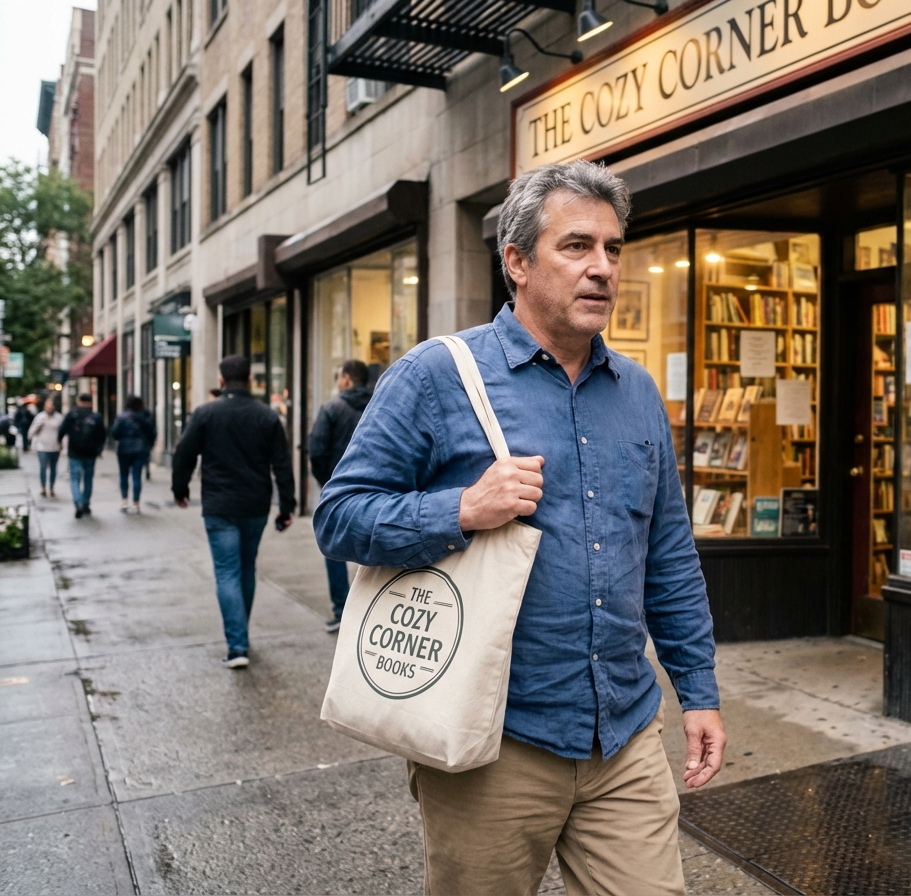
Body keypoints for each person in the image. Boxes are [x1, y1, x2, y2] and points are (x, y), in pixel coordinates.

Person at [315, 160, 724, 895]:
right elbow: (340, 517)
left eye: (613, 248)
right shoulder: (437, 375)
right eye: (576, 247)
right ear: (517, 262)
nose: (602, 268)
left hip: (623, 736)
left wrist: (699, 691)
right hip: (492, 743)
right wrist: (460, 510)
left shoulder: (636, 394)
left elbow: (668, 555)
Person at [172, 355, 296, 669]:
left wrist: (180, 489)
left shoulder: (206, 413)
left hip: (220, 505)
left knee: (227, 572)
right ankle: (241, 637)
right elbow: (282, 464)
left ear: (222, 378)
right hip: (255, 505)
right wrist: (287, 506)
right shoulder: (267, 416)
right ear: (250, 379)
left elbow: (184, 454)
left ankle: (237, 645)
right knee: (246, 568)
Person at [307, 359, 371, 633]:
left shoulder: (332, 408)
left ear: (346, 379)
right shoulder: (380, 402)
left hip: (340, 487)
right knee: (377, 546)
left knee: (334, 548)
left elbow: (317, 451)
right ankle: (371, 608)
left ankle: (341, 609)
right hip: (377, 487)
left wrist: (329, 482)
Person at [58, 393, 106, 518]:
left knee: (74, 478)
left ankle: (78, 502)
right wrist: (99, 449)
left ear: (79, 401)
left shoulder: (71, 415)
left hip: (74, 452)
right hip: (91, 453)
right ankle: (85, 504)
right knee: (88, 479)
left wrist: (60, 443)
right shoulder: (96, 417)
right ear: (90, 402)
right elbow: (102, 435)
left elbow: (62, 430)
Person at [110, 395, 157, 513]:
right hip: (140, 450)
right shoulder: (145, 417)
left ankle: (124, 501)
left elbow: (115, 434)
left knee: (124, 476)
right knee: (137, 476)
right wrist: (149, 446)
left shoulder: (122, 417)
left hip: (124, 450)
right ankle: (136, 503)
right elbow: (152, 434)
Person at [27, 398, 64, 497]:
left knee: (53, 468)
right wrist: (40, 424)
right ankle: (43, 487)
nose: (49, 408)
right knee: (43, 467)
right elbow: (31, 432)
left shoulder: (59, 418)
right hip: (42, 447)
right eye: (47, 407)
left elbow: (62, 432)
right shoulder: (40, 417)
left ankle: (51, 487)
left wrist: (62, 444)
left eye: (51, 406)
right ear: (44, 407)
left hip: (55, 446)